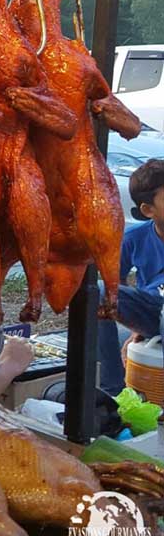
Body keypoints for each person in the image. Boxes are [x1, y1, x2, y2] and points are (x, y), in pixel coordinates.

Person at [98, 158, 164, 395]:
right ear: (148, 210)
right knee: (98, 291)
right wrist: (136, 326)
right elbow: (115, 282)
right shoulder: (134, 238)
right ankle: (113, 390)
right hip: (152, 309)